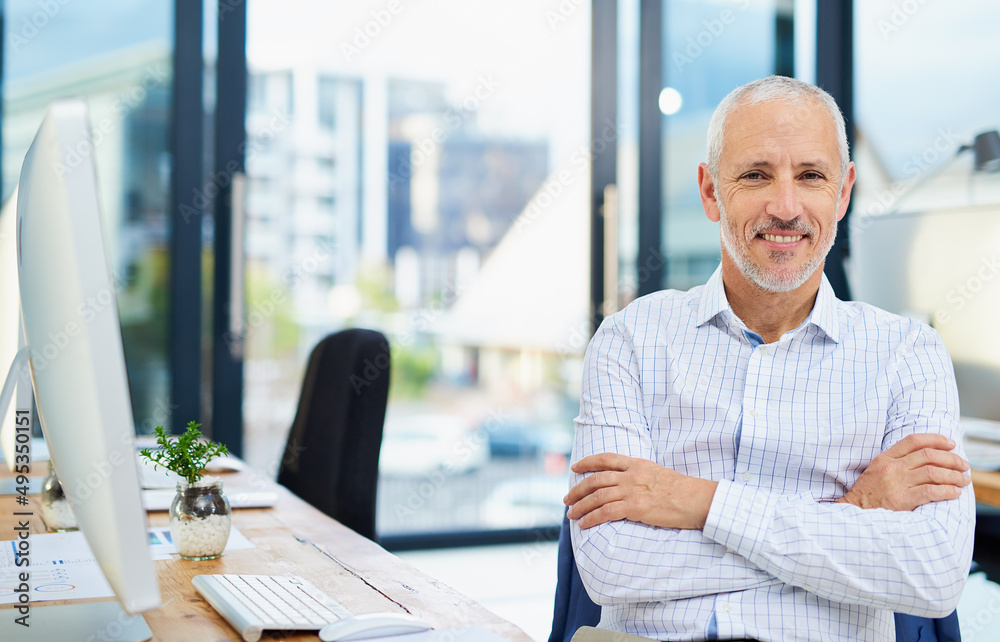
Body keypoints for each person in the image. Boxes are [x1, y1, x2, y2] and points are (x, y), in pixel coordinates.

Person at [563, 75, 975, 642]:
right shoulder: (630, 338)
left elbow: (933, 574)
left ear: (844, 192)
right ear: (711, 192)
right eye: (756, 175)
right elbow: (613, 565)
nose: (785, 207)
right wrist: (850, 513)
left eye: (811, 176)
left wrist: (695, 501)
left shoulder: (908, 355)